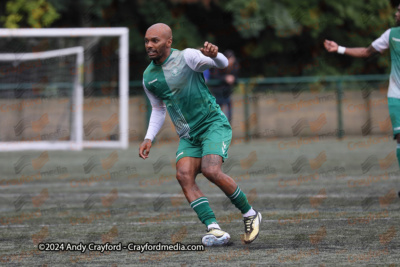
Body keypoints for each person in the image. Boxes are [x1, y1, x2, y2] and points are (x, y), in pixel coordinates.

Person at [139, 23, 261, 246]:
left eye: (154, 40)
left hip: (213, 124)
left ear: (168, 42)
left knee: (211, 170)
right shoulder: (148, 77)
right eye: (147, 41)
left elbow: (222, 63)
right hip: (188, 135)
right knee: (184, 175)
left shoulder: (188, 57)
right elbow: (158, 108)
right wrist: (149, 137)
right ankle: (215, 230)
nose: (149, 45)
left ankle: (250, 214)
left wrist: (216, 55)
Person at [324, 5, 400, 179]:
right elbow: (367, 51)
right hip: (397, 96)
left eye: (399, 11)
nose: (396, 13)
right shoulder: (392, 34)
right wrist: (339, 49)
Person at [208, 50, 239, 123]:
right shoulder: (218, 64)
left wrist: (233, 78)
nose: (230, 60)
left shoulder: (234, 66)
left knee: (229, 117)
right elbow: (214, 76)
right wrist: (225, 78)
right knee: (218, 116)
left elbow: (236, 76)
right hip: (217, 93)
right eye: (228, 58)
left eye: (231, 58)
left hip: (227, 93)